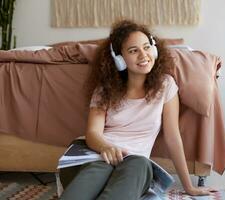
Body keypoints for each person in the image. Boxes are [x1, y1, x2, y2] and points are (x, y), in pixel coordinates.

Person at [59, 19, 216, 200]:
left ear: (154, 49)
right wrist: (106, 147)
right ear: (119, 59)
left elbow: (173, 138)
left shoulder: (166, 85)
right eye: (133, 51)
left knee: (140, 164)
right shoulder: (105, 89)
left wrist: (189, 186)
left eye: (147, 47)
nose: (143, 55)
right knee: (100, 168)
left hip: (134, 163)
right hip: (95, 155)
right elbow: (93, 133)